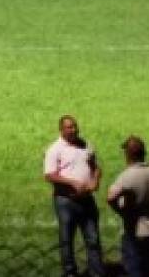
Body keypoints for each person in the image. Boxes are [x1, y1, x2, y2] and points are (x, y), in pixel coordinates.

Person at [44, 114, 104, 277]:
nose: (74, 130)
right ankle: (70, 273)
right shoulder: (54, 149)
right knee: (66, 241)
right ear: (61, 130)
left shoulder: (86, 145)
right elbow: (49, 175)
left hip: (87, 200)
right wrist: (72, 183)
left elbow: (96, 167)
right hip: (65, 201)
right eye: (69, 127)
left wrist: (95, 180)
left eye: (75, 126)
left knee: (93, 239)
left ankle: (97, 273)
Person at [106, 135, 149, 277]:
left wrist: (122, 212)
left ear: (127, 154)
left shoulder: (127, 176)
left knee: (134, 270)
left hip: (136, 233)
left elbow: (110, 197)